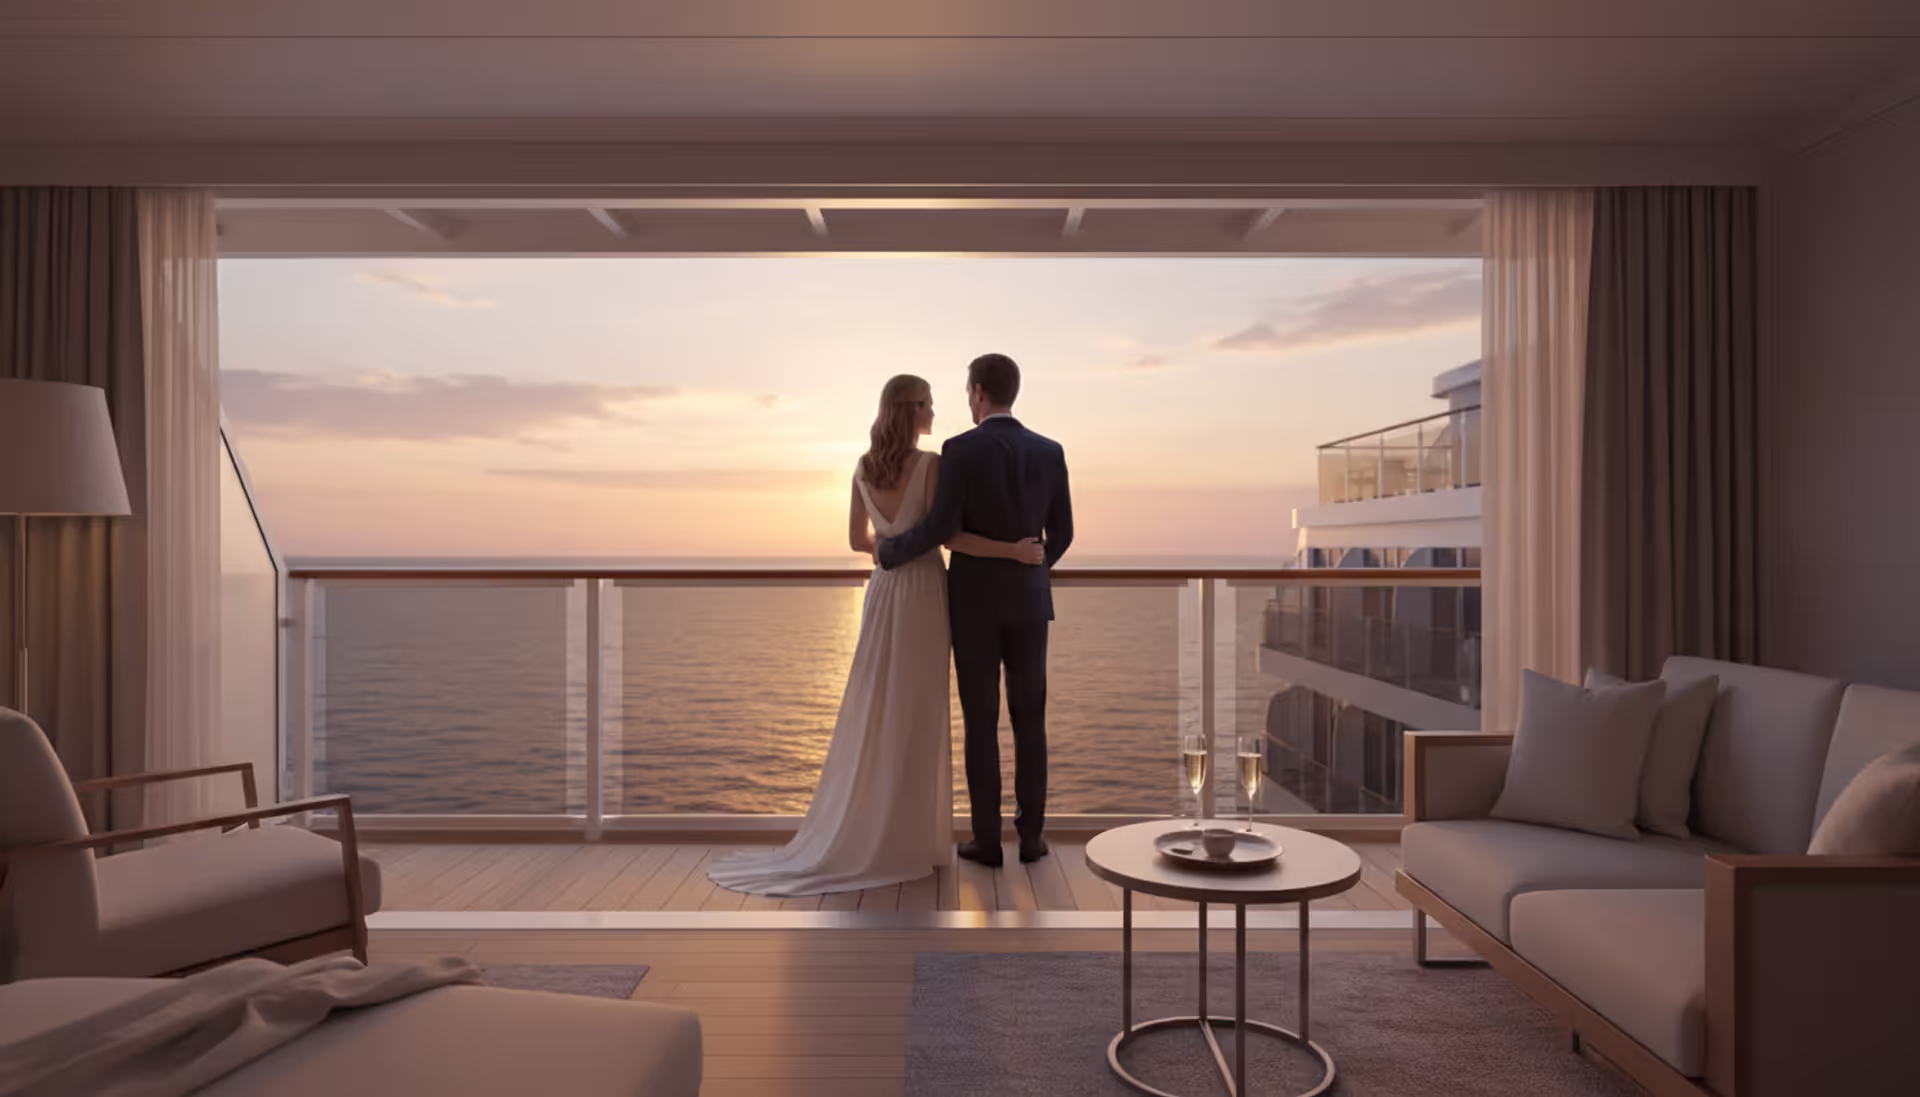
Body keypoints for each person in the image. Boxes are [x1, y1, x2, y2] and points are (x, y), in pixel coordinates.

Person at [708, 373, 1043, 896]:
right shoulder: (931, 465)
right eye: (928, 404)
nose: (935, 412)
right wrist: (1013, 552)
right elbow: (944, 534)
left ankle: (880, 830)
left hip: (884, 591)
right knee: (919, 711)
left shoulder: (863, 469)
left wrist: (887, 550)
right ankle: (915, 838)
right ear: (911, 410)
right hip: (927, 590)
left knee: (878, 702)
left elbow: (855, 539)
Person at [877, 353, 1073, 867]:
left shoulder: (960, 450)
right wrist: (1031, 569)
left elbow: (942, 527)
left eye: (967, 392)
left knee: (981, 721)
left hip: (974, 608)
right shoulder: (1050, 451)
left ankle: (987, 842)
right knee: (1031, 721)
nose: (966, 401)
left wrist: (891, 551)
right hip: (1031, 606)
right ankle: (1032, 840)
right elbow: (1065, 534)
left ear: (980, 392)